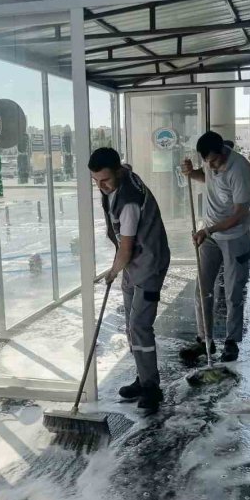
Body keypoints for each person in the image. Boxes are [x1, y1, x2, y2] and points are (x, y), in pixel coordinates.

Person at [89, 147, 171, 413]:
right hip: (134, 264)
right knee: (131, 326)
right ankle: (143, 376)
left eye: (105, 180)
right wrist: (120, 269)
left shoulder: (129, 201)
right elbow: (125, 249)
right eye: (96, 181)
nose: (101, 186)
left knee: (140, 326)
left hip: (148, 264)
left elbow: (125, 248)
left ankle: (151, 388)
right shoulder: (122, 175)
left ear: (117, 172)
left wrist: (112, 272)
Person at [179, 131, 250, 364]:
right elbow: (207, 177)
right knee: (202, 288)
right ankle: (205, 341)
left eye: (213, 160)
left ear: (223, 151)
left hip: (234, 236)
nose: (210, 165)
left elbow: (239, 214)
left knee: (232, 293)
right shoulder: (210, 165)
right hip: (209, 235)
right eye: (206, 161)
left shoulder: (239, 168)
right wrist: (192, 173)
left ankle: (231, 342)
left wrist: (209, 230)